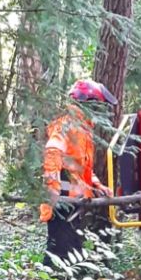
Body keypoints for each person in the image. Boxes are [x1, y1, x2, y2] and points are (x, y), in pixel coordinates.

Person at [39, 79, 117, 266]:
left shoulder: (82, 128)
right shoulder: (67, 125)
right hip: (63, 202)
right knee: (61, 251)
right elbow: (53, 151)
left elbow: (80, 166)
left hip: (73, 203)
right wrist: (53, 190)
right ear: (90, 104)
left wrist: (97, 185)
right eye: (100, 106)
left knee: (69, 249)